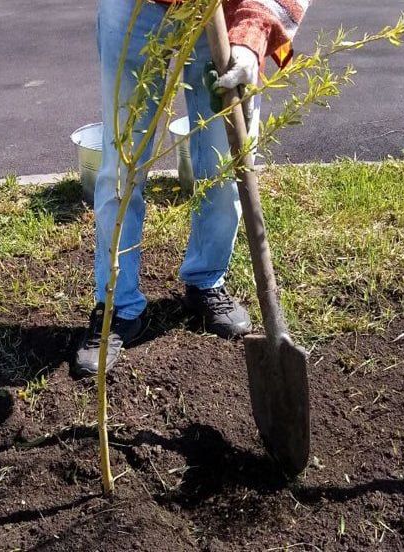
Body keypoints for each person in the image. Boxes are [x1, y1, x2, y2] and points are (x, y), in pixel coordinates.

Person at [74, 0, 309, 377]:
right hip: (136, 9)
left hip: (229, 11)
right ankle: (117, 305)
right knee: (123, 162)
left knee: (224, 162)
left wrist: (252, 36)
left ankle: (206, 280)